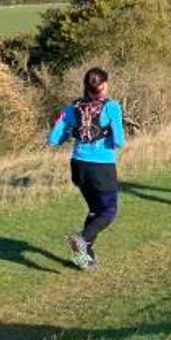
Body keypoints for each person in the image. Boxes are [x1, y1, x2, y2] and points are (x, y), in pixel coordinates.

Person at [47, 66, 126, 271]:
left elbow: (53, 139)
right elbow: (119, 141)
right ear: (105, 85)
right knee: (108, 211)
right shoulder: (112, 107)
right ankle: (82, 239)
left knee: (94, 210)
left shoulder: (72, 108)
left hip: (78, 166)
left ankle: (84, 258)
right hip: (102, 167)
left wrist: (70, 133)